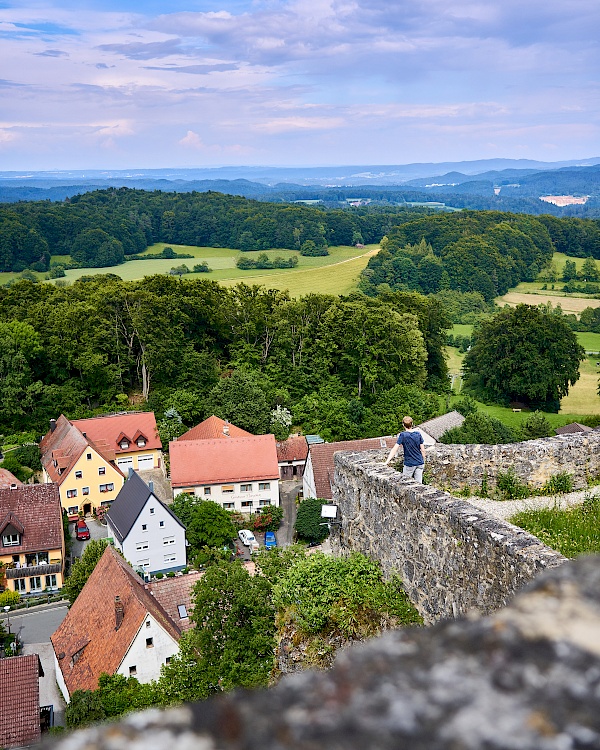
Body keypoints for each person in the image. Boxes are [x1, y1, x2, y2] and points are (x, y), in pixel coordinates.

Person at [385, 416, 426, 483]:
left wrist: (387, 462)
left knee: (406, 483)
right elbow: (423, 450)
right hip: (419, 462)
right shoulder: (418, 434)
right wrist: (423, 461)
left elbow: (395, 449)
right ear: (412, 424)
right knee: (419, 484)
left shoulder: (403, 435)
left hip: (409, 463)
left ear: (403, 425)